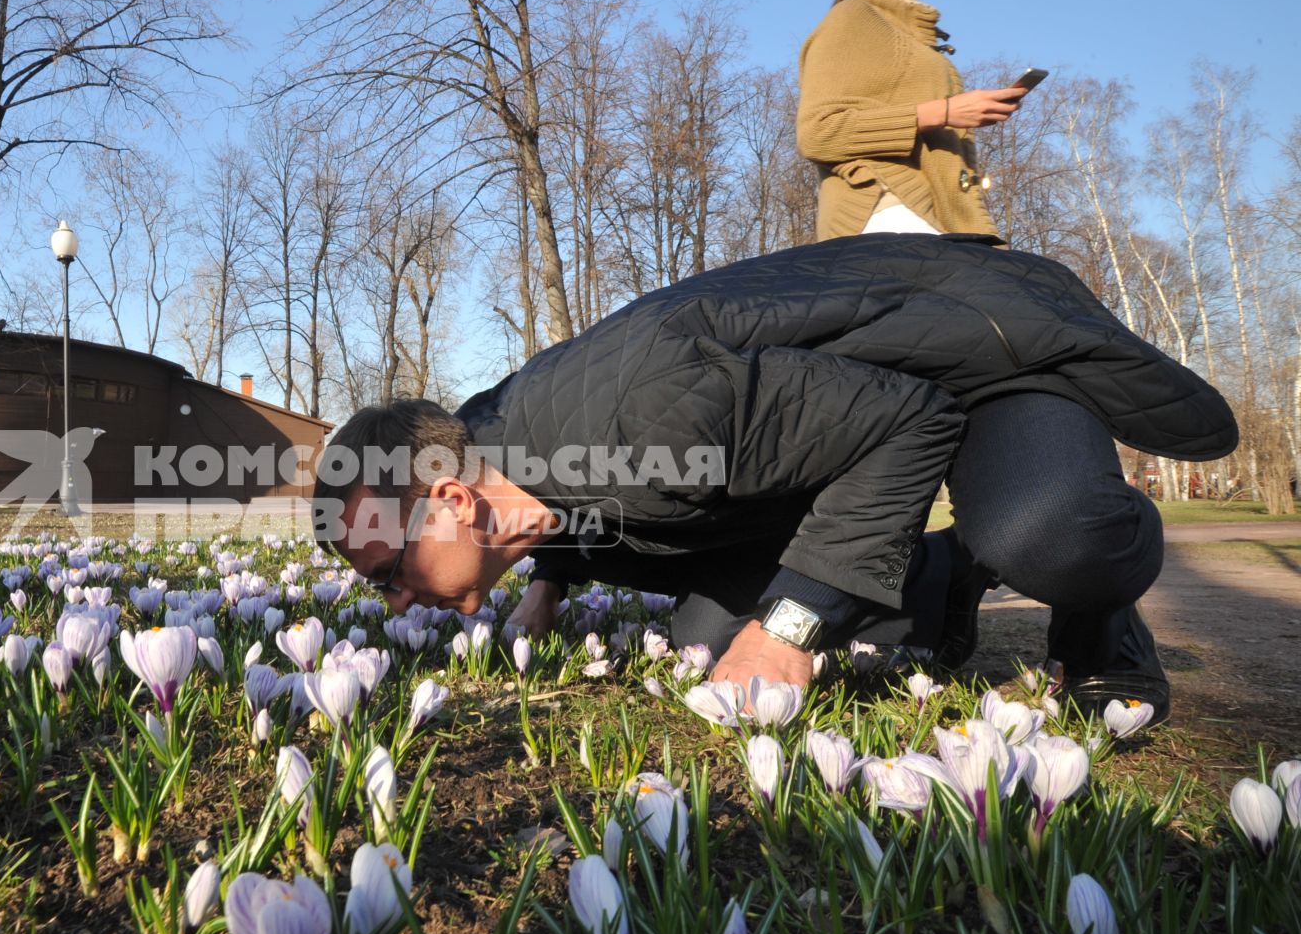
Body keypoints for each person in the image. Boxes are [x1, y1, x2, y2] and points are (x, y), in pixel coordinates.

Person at [312, 237, 1240, 721]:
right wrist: (542, 589)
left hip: (981, 362)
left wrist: (794, 626)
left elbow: (910, 419)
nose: (393, 601)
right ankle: (949, 577)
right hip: (851, 410)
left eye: (387, 570)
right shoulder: (485, 441)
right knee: (713, 633)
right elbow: (536, 490)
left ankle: (1100, 619)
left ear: (448, 501)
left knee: (1049, 532)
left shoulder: (645, 421)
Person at [798, 0, 1030, 240]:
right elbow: (818, 133)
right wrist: (946, 111)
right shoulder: (852, 17)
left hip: (935, 222)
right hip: (890, 216)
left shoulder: (911, 33)